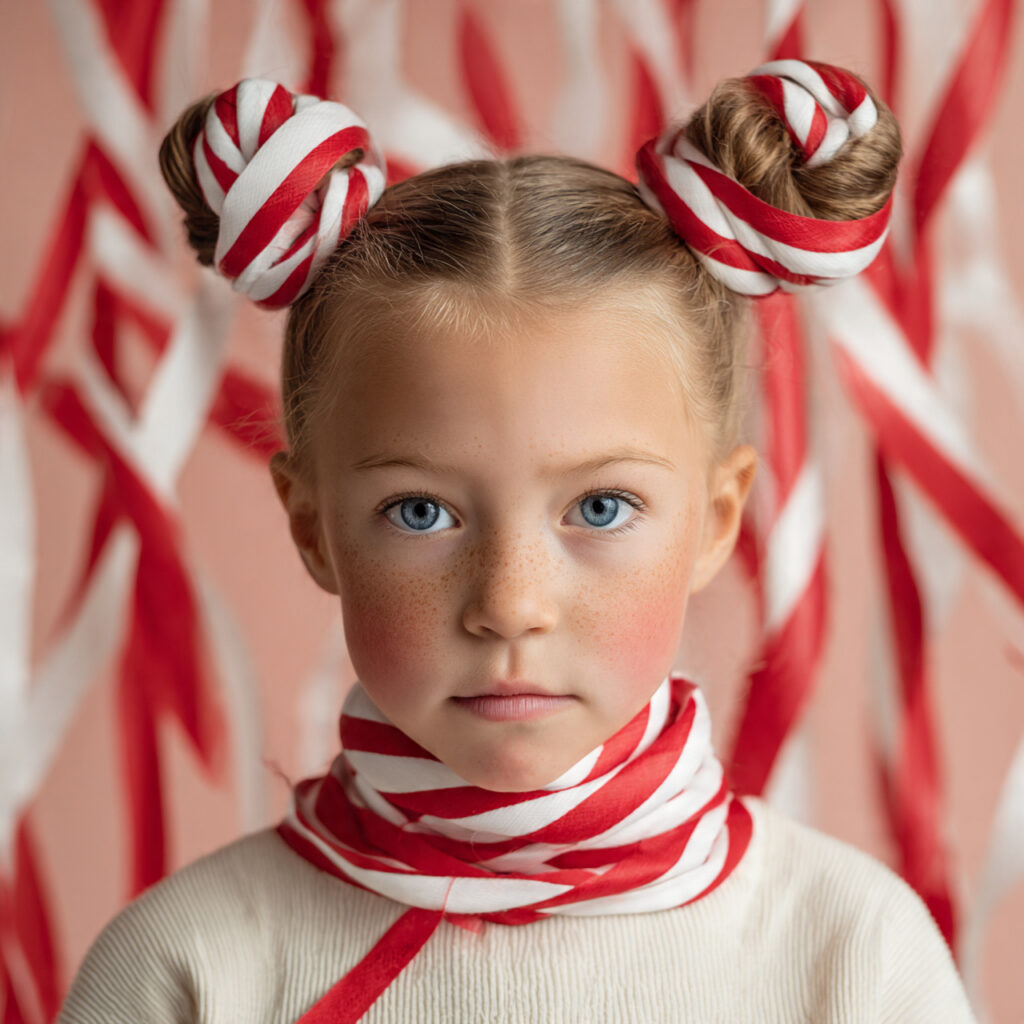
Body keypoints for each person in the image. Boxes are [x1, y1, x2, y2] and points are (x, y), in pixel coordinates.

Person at [57, 61, 977, 1023]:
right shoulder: (187, 967)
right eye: (422, 512)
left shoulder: (854, 955)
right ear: (311, 525)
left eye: (601, 507)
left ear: (714, 519)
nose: (510, 602)